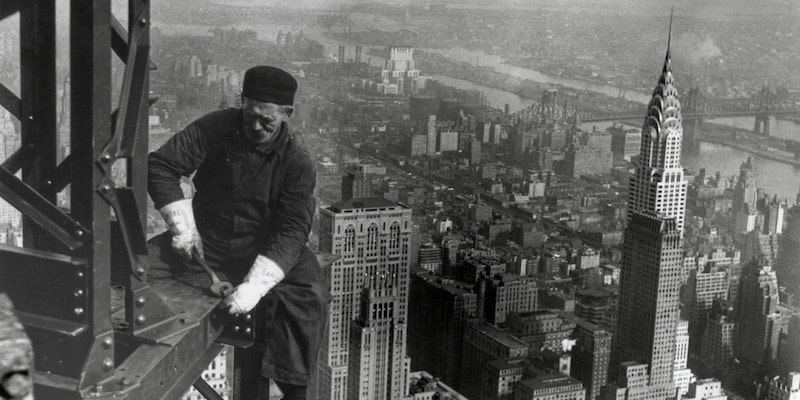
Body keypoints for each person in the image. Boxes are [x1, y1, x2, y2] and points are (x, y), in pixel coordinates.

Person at [148, 65, 329, 400]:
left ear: (287, 113)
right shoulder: (215, 127)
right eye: (249, 115)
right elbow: (161, 165)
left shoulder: (297, 157)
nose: (255, 126)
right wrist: (182, 227)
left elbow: (292, 229)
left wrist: (254, 288)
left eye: (266, 120)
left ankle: (294, 390)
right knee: (138, 267)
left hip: (264, 247)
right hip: (207, 242)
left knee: (308, 291)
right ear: (241, 102)